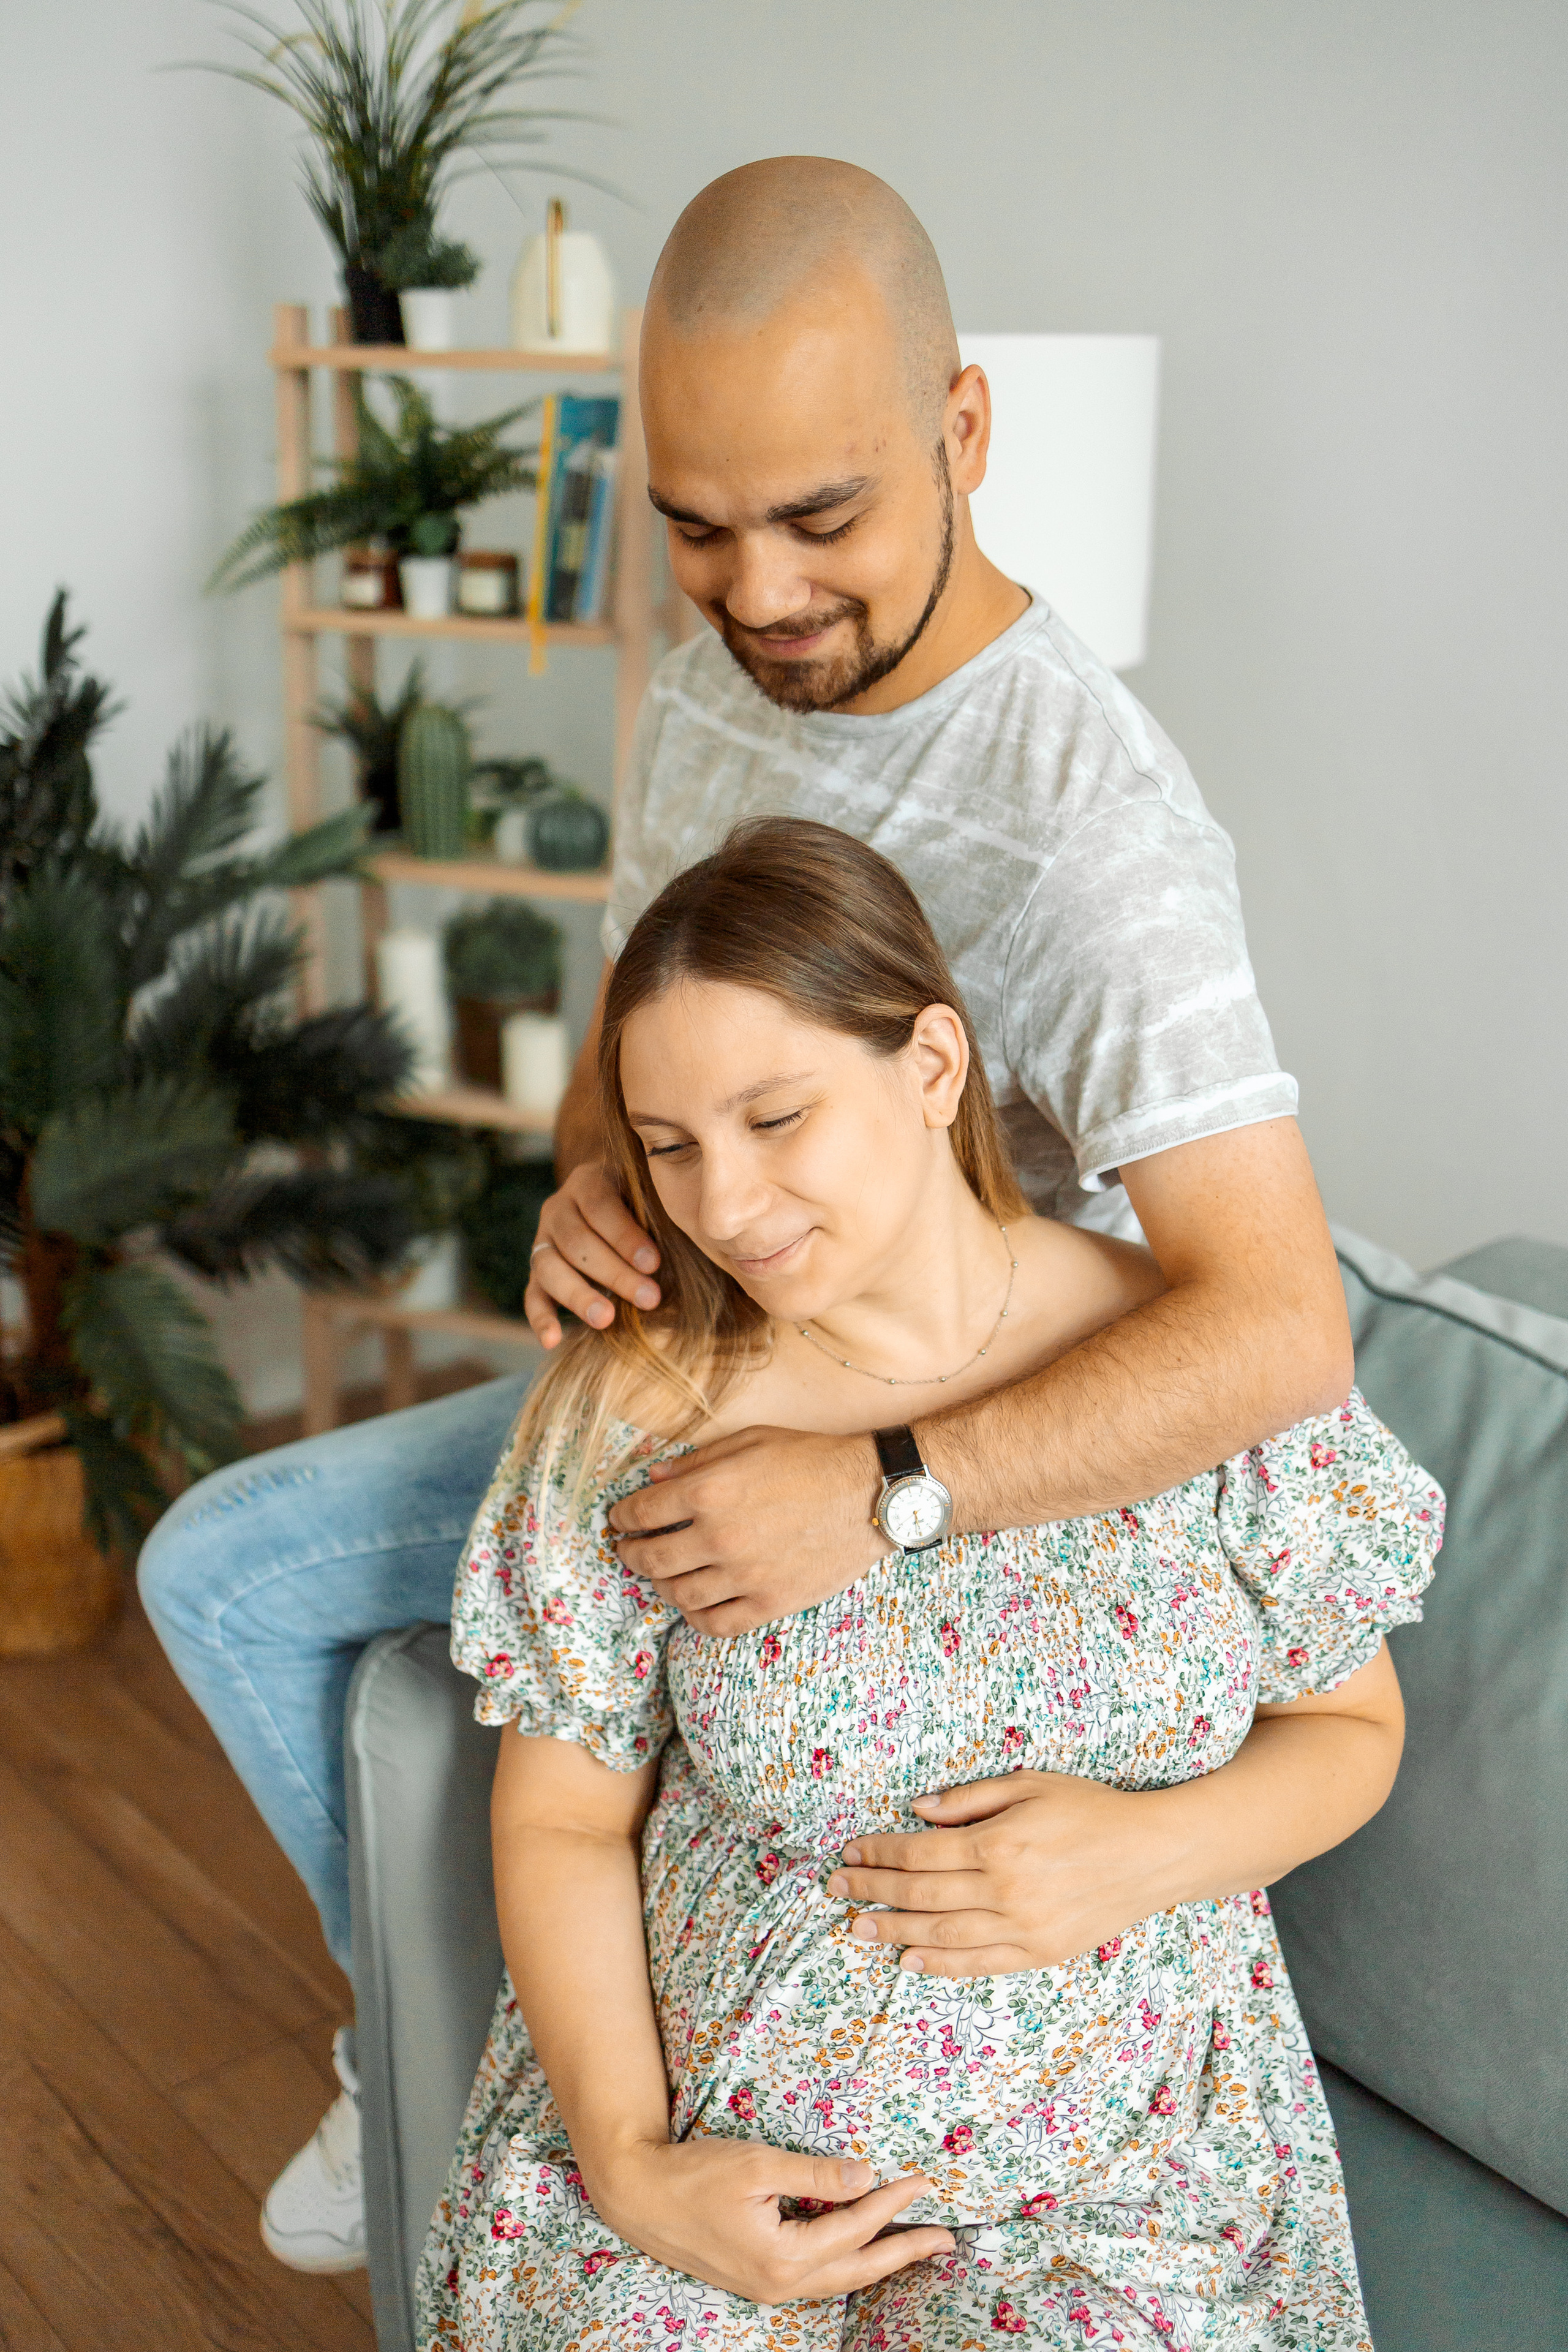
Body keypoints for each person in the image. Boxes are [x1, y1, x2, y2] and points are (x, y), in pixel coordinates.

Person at [139, 156, 1354, 2272]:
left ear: (964, 437)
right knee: (234, 1575)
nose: (764, 591)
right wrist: (598, 1190)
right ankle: (418, 2035)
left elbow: (1278, 1332)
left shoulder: (1100, 839)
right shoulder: (724, 678)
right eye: (701, 526)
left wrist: (882, 1491)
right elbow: (643, 1056)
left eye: (825, 520)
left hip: (917, 1446)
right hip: (693, 1384)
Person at [418, 818, 1441, 2352]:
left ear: (931, 1067)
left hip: (1112, 2207)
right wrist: (633, 2167)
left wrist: (1147, 1855)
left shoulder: (1187, 1372)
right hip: (714, 2182)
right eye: (670, 1146)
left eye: (775, 1117)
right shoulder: (631, 1422)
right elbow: (563, 1814)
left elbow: (1351, 1732)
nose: (724, 1202)